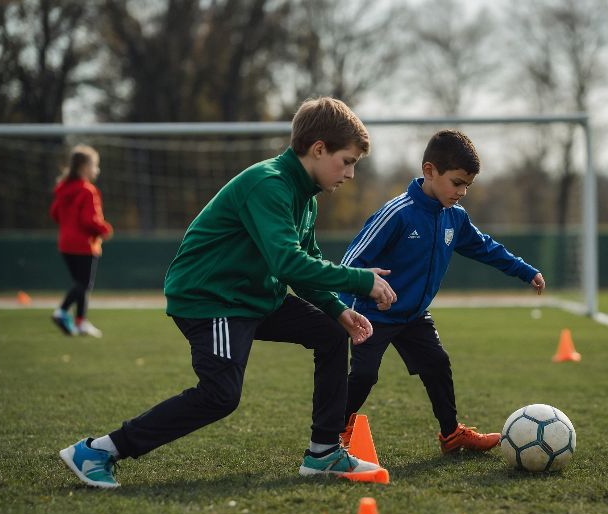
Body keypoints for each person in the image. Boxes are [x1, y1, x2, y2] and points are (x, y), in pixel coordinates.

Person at [59, 97, 397, 489]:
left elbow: (304, 263)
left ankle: (323, 453)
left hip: (251, 296)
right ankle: (98, 451)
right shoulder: (269, 184)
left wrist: (337, 310)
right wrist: (360, 280)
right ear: (318, 149)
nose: (352, 173)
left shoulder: (304, 195)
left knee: (331, 334)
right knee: (220, 395)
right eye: (348, 160)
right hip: (212, 299)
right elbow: (288, 263)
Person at [339, 129, 546, 455]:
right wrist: (345, 309)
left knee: (437, 364)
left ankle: (451, 434)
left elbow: (486, 248)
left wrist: (525, 270)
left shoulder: (455, 217)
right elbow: (351, 261)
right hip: (372, 311)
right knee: (364, 375)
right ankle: (336, 431)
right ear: (430, 171)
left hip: (414, 314)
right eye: (457, 182)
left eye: (468, 185)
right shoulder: (398, 213)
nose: (462, 191)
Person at [49, 144, 113, 338]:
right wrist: (104, 229)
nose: (97, 170)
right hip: (84, 244)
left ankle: (80, 322)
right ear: (84, 167)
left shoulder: (63, 189)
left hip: (65, 244)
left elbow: (54, 213)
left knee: (81, 283)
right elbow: (89, 219)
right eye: (95, 165)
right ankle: (61, 311)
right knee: (84, 284)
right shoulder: (87, 191)